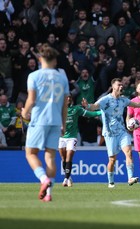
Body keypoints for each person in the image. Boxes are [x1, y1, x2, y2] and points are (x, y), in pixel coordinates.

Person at [82, 78, 140, 188]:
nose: (121, 87)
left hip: (122, 132)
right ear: (113, 87)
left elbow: (136, 104)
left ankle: (130, 177)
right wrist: (87, 106)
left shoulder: (123, 100)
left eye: (122, 85)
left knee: (129, 152)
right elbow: (94, 107)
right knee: (112, 160)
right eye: (119, 85)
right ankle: (111, 181)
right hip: (110, 133)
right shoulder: (105, 100)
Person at [21, 44, 69, 202]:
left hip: (39, 120)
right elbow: (65, 104)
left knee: (31, 153)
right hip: (55, 121)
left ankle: (43, 179)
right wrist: (64, 124)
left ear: (40, 59)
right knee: (50, 157)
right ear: (55, 60)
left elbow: (31, 99)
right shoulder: (62, 77)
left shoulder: (34, 76)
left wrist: (24, 112)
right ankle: (48, 194)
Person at [59, 93, 101, 187]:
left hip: (72, 137)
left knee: (69, 156)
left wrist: (100, 112)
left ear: (72, 99)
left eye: (70, 97)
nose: (68, 99)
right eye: (66, 97)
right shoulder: (59, 110)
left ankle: (65, 179)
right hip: (61, 137)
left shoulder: (76, 109)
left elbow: (89, 114)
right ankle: (69, 177)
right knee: (63, 158)